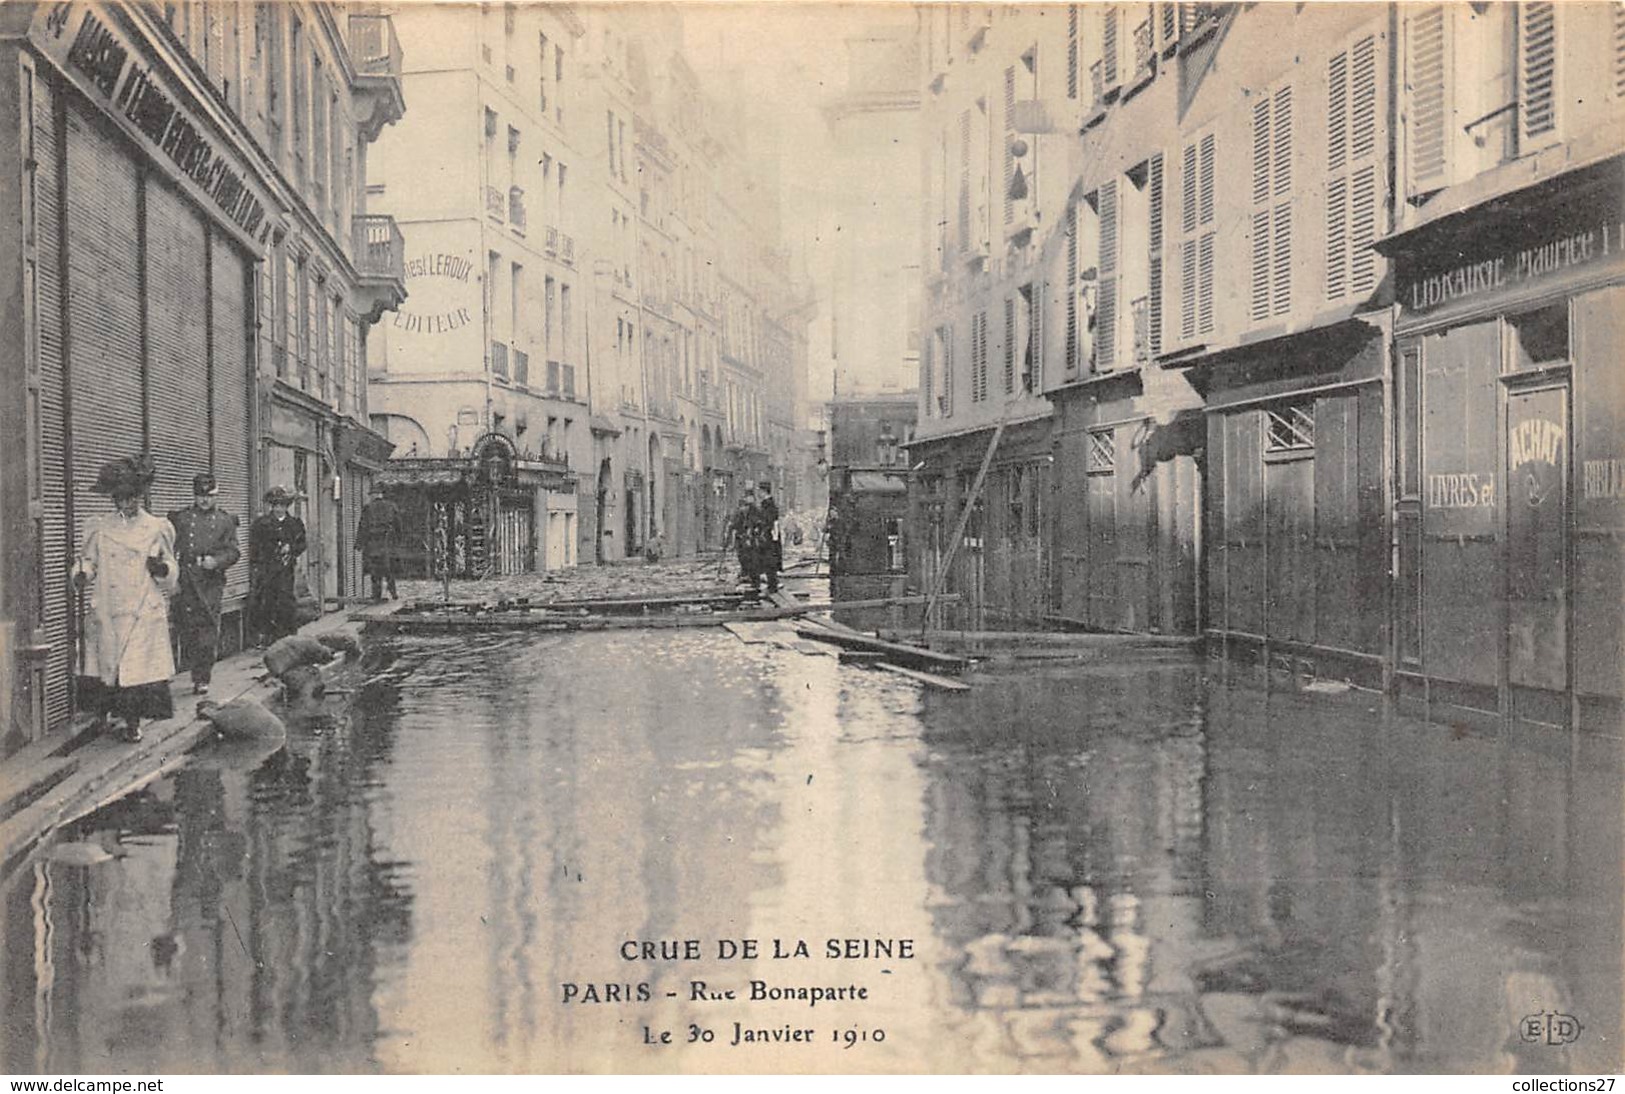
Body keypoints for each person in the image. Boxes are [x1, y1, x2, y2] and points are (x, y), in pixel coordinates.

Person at [73, 455, 179, 743]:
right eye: (119, 499)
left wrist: (161, 569)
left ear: (140, 497)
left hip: (142, 607)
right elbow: (87, 561)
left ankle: (133, 723)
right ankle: (103, 716)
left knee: (135, 671)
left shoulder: (156, 528)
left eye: (131, 499)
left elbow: (171, 569)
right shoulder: (100, 527)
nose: (125, 505)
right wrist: (82, 573)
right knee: (107, 667)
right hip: (109, 605)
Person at [167, 472, 241, 696]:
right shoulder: (182, 518)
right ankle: (190, 670)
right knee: (187, 629)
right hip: (186, 579)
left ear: (216, 495)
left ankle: (202, 677)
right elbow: (168, 544)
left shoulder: (225, 521)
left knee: (207, 630)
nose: (204, 500)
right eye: (200, 496)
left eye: (209, 496)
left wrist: (216, 561)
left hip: (210, 582)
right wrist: (172, 576)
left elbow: (234, 551)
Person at [249, 486, 307, 645]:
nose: (278, 509)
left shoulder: (295, 524)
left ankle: (288, 635)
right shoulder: (261, 524)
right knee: (267, 601)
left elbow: (302, 544)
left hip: (286, 569)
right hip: (266, 569)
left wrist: (291, 548)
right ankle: (268, 637)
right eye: (275, 505)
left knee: (286, 600)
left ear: (286, 506)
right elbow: (254, 546)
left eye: (281, 505)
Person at [356, 484, 402, 602]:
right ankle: (394, 593)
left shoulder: (367, 508)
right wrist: (398, 540)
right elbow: (398, 525)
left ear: (373, 495)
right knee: (389, 569)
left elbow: (363, 526)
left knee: (375, 570)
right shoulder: (392, 506)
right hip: (388, 541)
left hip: (373, 543)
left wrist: (359, 543)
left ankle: (376, 595)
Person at [723, 489, 761, 594]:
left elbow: (757, 523)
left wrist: (752, 532)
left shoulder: (755, 510)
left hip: (752, 539)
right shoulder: (739, 512)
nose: (744, 507)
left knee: (752, 559)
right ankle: (745, 574)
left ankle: (753, 579)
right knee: (742, 556)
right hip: (741, 538)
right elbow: (734, 524)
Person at [756, 480, 782, 594]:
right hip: (769, 536)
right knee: (768, 560)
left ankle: (772, 585)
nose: (758, 493)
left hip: (769, 536)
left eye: (759, 491)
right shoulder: (768, 504)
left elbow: (768, 522)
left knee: (769, 560)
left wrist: (761, 530)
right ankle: (772, 583)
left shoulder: (768, 505)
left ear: (763, 491)